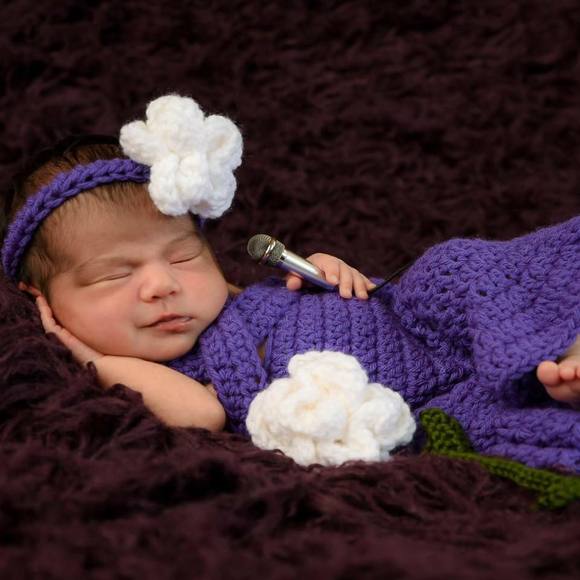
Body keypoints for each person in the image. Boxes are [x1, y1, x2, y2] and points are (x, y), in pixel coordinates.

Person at [1, 95, 579, 469]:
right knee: (495, 420)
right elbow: (201, 414)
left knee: (454, 267)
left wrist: (329, 273)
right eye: (115, 274)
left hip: (415, 322)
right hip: (416, 400)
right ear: (44, 301)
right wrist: (90, 357)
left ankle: (555, 345)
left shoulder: (239, 303)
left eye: (183, 256)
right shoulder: (156, 376)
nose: (161, 285)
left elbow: (365, 300)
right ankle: (554, 373)